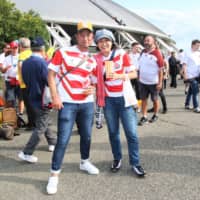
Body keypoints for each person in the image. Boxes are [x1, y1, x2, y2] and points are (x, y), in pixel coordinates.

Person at [46, 22, 99, 195]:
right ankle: (54, 174)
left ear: (92, 37)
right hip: (67, 102)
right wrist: (55, 96)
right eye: (82, 34)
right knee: (63, 139)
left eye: (89, 35)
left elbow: (92, 81)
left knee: (87, 135)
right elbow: (51, 75)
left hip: (86, 103)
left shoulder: (92, 59)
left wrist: (93, 88)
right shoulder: (63, 52)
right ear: (77, 36)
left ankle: (85, 161)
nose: (86, 37)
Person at [94, 29, 145, 177]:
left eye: (106, 40)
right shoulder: (95, 59)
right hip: (108, 100)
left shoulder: (121, 54)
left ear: (112, 42)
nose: (104, 44)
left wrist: (119, 75)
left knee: (132, 133)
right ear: (97, 44)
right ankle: (117, 158)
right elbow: (92, 79)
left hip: (125, 99)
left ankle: (135, 163)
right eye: (100, 41)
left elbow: (134, 73)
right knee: (113, 132)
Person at [18, 37, 56, 163]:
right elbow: (49, 80)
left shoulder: (25, 62)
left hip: (31, 96)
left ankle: (52, 142)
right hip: (43, 97)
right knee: (41, 125)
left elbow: (23, 79)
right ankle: (26, 152)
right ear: (42, 49)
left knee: (43, 120)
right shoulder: (42, 63)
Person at [138, 35, 164, 125]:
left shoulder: (157, 53)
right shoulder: (142, 52)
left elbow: (161, 69)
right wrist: (139, 77)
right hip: (142, 82)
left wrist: (160, 83)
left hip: (154, 82)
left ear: (153, 42)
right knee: (143, 100)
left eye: (148, 40)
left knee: (155, 100)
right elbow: (140, 66)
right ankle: (144, 116)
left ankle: (155, 114)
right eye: (145, 40)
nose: (146, 42)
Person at [18, 37, 35, 129]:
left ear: (20, 46)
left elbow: (20, 66)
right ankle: (33, 122)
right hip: (33, 83)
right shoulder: (32, 53)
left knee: (28, 105)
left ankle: (31, 124)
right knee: (33, 103)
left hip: (25, 84)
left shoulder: (22, 55)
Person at [182, 39, 200, 112]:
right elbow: (184, 64)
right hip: (190, 75)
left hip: (197, 75)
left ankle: (187, 104)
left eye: (199, 46)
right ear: (193, 45)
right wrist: (185, 75)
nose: (198, 47)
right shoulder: (187, 53)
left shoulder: (198, 53)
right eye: (197, 45)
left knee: (190, 90)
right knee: (196, 91)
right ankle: (196, 107)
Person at [1, 41, 19, 108]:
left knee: (20, 99)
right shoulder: (6, 58)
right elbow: (2, 71)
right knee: (11, 99)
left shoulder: (20, 57)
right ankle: (12, 113)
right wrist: (5, 68)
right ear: (10, 48)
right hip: (9, 81)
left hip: (18, 80)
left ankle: (19, 113)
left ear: (18, 48)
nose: (14, 50)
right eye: (13, 48)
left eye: (16, 48)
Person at [129, 42, 142, 111]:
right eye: (136, 47)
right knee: (130, 91)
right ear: (132, 47)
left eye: (138, 47)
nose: (137, 49)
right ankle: (131, 105)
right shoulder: (128, 55)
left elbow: (142, 65)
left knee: (138, 91)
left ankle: (139, 106)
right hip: (130, 74)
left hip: (137, 74)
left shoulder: (140, 55)